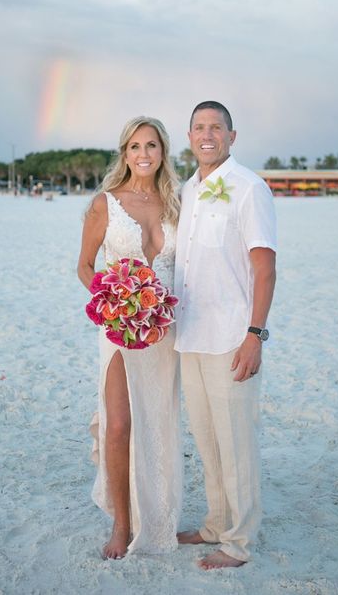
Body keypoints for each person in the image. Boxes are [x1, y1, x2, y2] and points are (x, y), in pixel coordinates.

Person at [174, 101, 277, 570]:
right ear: (190, 136)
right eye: (199, 127)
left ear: (232, 136)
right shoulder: (189, 190)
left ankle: (237, 543)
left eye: (216, 127)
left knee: (237, 443)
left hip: (233, 338)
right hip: (191, 335)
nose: (207, 134)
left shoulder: (248, 188)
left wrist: (254, 334)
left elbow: (265, 267)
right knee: (208, 439)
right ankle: (215, 524)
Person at [77, 117, 182, 559]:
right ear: (125, 153)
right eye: (135, 146)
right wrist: (113, 306)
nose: (143, 154)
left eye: (152, 146)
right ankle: (122, 523)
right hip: (119, 330)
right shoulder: (106, 203)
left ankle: (157, 518)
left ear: (163, 153)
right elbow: (85, 266)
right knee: (119, 424)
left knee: (158, 424)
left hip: (165, 330)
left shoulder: (179, 204)